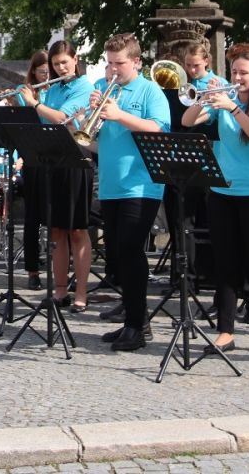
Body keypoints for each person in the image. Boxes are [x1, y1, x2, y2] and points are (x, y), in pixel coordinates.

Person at [182, 50, 249, 353]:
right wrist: (204, 98)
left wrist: (233, 108)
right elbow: (187, 121)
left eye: (243, 73)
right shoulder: (225, 98)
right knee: (226, 263)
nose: (237, 78)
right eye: (234, 72)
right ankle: (226, 331)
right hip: (222, 191)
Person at [91, 32, 171, 351]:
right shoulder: (102, 87)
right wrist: (86, 119)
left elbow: (158, 128)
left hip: (141, 183)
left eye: (119, 63)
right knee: (117, 254)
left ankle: (137, 326)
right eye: (109, 63)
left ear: (137, 61)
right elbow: (94, 137)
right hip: (111, 182)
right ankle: (134, 319)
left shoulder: (150, 90)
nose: (113, 70)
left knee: (131, 250)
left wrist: (119, 115)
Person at [22, 40, 93, 310]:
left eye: (65, 62)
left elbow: (61, 117)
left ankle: (81, 293)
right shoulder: (52, 89)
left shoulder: (84, 87)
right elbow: (45, 123)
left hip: (76, 160)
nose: (61, 68)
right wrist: (33, 102)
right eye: (56, 64)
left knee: (77, 230)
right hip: (53, 162)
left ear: (75, 60)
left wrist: (34, 103)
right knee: (56, 230)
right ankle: (60, 291)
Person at [17, 50, 52, 291]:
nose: (46, 76)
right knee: (32, 217)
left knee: (57, 217)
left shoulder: (58, 91)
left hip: (56, 158)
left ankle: (60, 270)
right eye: (42, 72)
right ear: (34, 72)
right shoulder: (26, 92)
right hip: (33, 160)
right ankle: (32, 270)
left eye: (49, 72)